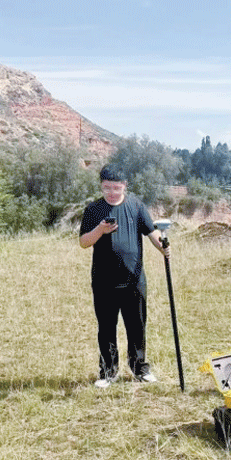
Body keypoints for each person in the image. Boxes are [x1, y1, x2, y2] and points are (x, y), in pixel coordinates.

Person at [79, 166, 168, 388]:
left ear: (124, 186)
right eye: (106, 187)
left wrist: (163, 246)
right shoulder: (93, 210)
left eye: (116, 188)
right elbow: (83, 242)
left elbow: (151, 231)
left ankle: (140, 369)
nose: (111, 192)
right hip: (104, 281)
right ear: (101, 185)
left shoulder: (136, 206)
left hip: (134, 280)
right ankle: (108, 373)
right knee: (107, 328)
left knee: (137, 325)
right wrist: (100, 230)